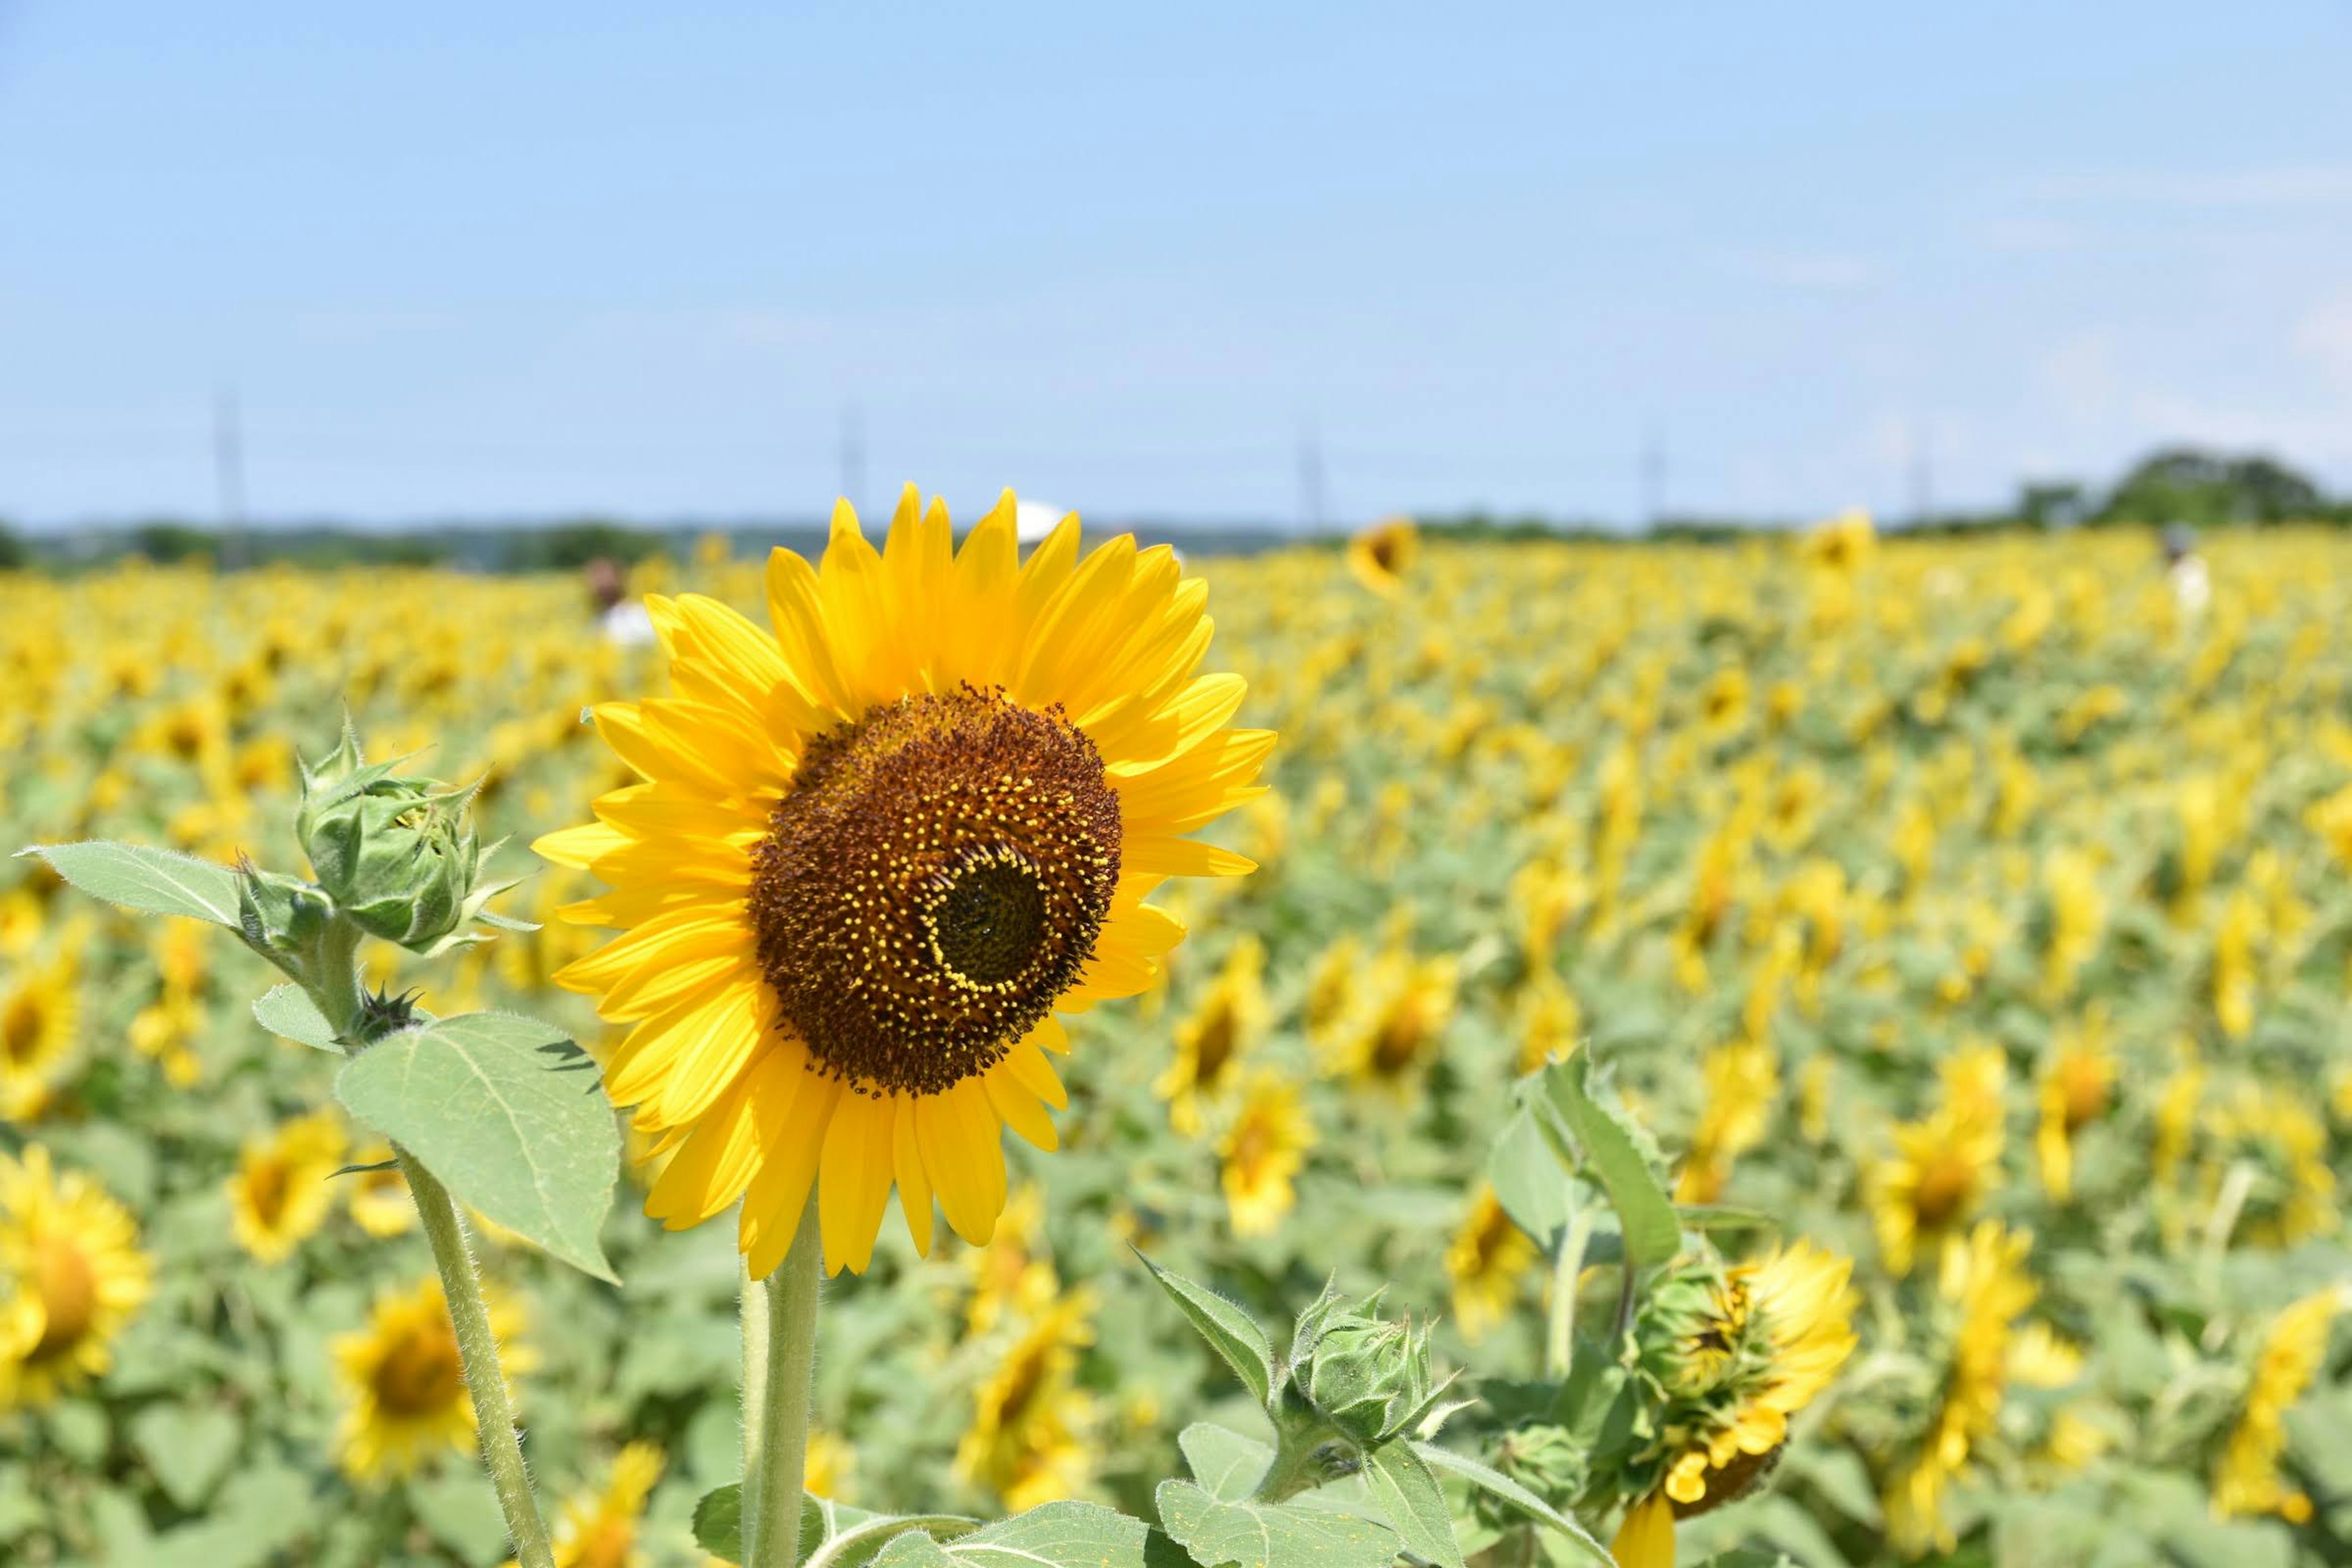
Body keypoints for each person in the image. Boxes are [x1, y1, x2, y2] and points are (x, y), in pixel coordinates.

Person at [586, 556, 657, 647]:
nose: (602, 584)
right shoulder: (596, 623)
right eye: (596, 579)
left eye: (606, 577)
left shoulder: (639, 615)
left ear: (619, 577)